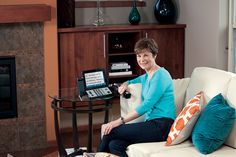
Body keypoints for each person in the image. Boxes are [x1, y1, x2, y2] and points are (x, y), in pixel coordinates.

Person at [98, 38, 176, 157]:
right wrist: (126, 83)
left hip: (162, 126)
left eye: (146, 55)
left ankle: (94, 155)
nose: (141, 59)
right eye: (139, 56)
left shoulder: (161, 75)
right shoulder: (146, 76)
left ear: (154, 55)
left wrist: (117, 122)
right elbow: (134, 80)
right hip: (152, 124)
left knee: (110, 131)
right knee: (115, 144)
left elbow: (147, 105)